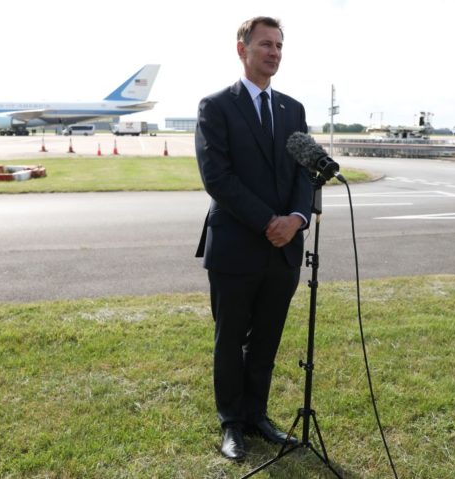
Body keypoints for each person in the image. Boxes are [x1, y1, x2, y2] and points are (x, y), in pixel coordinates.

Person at [195, 16, 313, 461]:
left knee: (266, 337)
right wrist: (270, 221)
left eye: (279, 45)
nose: (274, 52)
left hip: (285, 249)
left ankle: (258, 416)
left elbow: (307, 171)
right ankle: (231, 423)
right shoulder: (216, 107)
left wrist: (298, 218)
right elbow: (217, 178)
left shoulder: (293, 109)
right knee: (230, 340)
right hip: (237, 245)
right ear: (241, 48)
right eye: (266, 44)